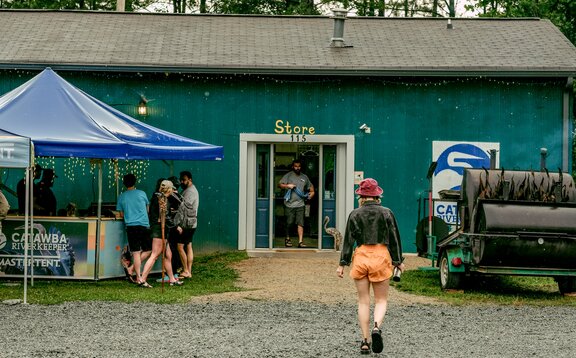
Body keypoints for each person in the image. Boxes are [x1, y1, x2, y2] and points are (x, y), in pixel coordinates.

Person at [336, 178, 404, 355]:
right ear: (377, 195)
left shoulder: (355, 214)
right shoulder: (387, 213)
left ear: (361, 196)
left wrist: (342, 264)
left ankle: (365, 342)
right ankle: (376, 327)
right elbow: (395, 238)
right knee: (381, 300)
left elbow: (348, 242)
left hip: (361, 255)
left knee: (363, 301)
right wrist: (398, 261)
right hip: (381, 255)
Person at [139, 180, 183, 287]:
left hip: (159, 228)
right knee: (154, 255)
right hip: (159, 230)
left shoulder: (158, 197)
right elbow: (166, 216)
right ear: (169, 189)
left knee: (168, 255)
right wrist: (176, 226)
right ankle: (142, 280)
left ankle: (172, 279)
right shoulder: (162, 200)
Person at [116, 173, 152, 285]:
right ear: (135, 182)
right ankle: (136, 275)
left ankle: (135, 273)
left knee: (136, 253)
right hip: (144, 224)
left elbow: (121, 214)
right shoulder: (142, 193)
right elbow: (148, 209)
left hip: (131, 226)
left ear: (124, 183)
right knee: (148, 250)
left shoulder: (122, 196)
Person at [278, 159, 315, 247]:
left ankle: (300, 242)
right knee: (289, 223)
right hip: (289, 204)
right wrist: (287, 186)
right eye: (296, 166)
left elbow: (311, 188)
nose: (297, 168)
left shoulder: (304, 177)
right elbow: (279, 185)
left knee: (300, 223)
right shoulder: (288, 176)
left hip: (300, 204)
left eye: (299, 166)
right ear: (293, 167)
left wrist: (311, 194)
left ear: (301, 167)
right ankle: (287, 239)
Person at [175, 170, 199, 279]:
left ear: (190, 179)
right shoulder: (191, 190)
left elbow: (183, 208)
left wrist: (177, 222)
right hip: (192, 223)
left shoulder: (190, 192)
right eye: (181, 180)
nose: (182, 182)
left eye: (184, 180)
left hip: (186, 224)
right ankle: (188, 270)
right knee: (188, 245)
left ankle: (186, 270)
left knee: (180, 247)